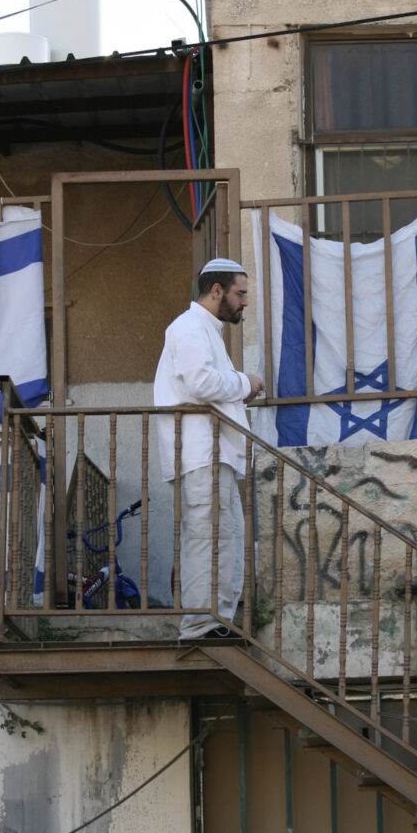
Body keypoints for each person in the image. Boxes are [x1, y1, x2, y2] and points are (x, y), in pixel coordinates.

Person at [154, 258, 265, 640]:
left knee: (227, 537)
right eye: (240, 293)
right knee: (205, 536)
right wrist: (245, 382)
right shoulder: (187, 327)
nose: (244, 302)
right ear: (216, 290)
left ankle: (217, 621)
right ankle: (200, 624)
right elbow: (201, 382)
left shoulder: (205, 331)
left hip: (215, 455)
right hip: (202, 454)